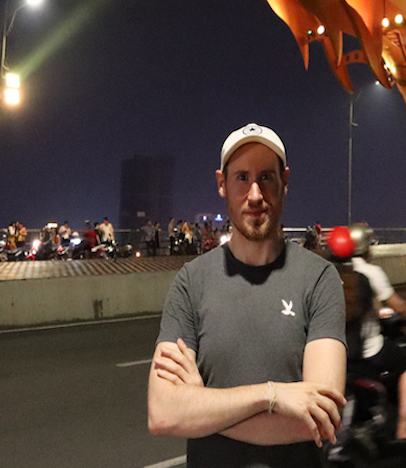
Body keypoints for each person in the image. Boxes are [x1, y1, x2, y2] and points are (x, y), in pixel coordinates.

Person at [148, 123, 346, 467]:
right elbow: (164, 413)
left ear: (285, 180)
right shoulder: (191, 282)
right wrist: (273, 395)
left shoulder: (318, 279)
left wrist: (201, 404)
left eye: (266, 177)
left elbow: (320, 417)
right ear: (222, 184)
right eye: (241, 178)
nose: (255, 194)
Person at [347, 222, 406, 440]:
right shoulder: (370, 272)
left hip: (337, 351)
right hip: (367, 350)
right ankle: (404, 425)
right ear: (367, 247)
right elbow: (398, 305)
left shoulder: (336, 271)